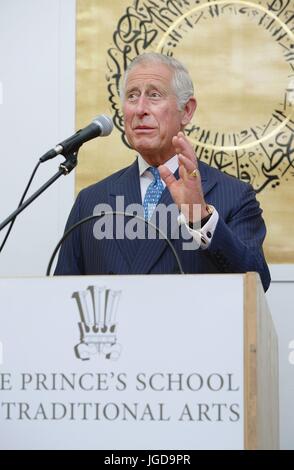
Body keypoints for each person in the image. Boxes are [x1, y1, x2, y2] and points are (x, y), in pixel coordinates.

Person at [54, 53, 271, 291]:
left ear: (186, 111)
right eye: (132, 96)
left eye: (154, 95)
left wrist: (200, 217)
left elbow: (257, 283)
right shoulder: (91, 201)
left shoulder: (234, 195)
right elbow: (62, 297)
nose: (140, 109)